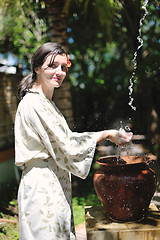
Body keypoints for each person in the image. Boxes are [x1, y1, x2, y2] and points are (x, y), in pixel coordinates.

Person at [14, 42, 133, 240]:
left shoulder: (46, 103)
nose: (59, 72)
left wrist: (109, 133)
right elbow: (68, 145)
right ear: (37, 68)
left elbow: (65, 140)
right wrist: (106, 134)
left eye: (63, 67)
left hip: (54, 184)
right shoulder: (34, 103)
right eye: (52, 66)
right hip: (42, 189)